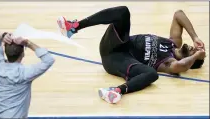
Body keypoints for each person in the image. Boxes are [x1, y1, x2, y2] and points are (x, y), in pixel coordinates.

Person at [57, 6, 206, 104]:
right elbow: (178, 14)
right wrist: (195, 37)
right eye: (195, 49)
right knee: (123, 12)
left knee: (152, 74)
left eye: (195, 52)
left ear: (191, 61)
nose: (195, 48)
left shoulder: (169, 62)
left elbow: (180, 66)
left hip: (117, 60)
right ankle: (73, 27)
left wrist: (196, 57)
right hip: (116, 44)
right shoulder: (173, 42)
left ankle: (117, 91)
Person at [0, 31, 55, 118]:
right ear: (23, 54)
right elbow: (48, 60)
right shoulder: (25, 73)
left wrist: (3, 35)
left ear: (5, 52)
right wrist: (28, 43)